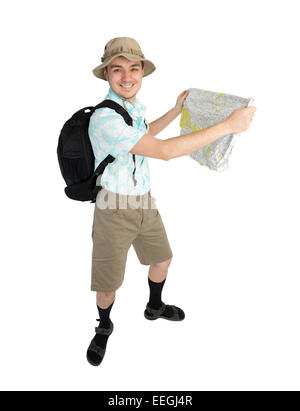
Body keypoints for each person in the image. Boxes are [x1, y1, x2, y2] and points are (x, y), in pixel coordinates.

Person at [87, 37, 256, 366]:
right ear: (106, 73)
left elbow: (146, 134)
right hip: (112, 208)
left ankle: (154, 307)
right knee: (108, 285)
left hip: (143, 201)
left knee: (162, 260)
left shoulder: (132, 109)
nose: (126, 76)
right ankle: (104, 326)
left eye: (133, 68)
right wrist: (227, 126)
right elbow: (163, 152)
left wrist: (177, 110)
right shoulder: (104, 119)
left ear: (142, 73)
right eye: (117, 69)